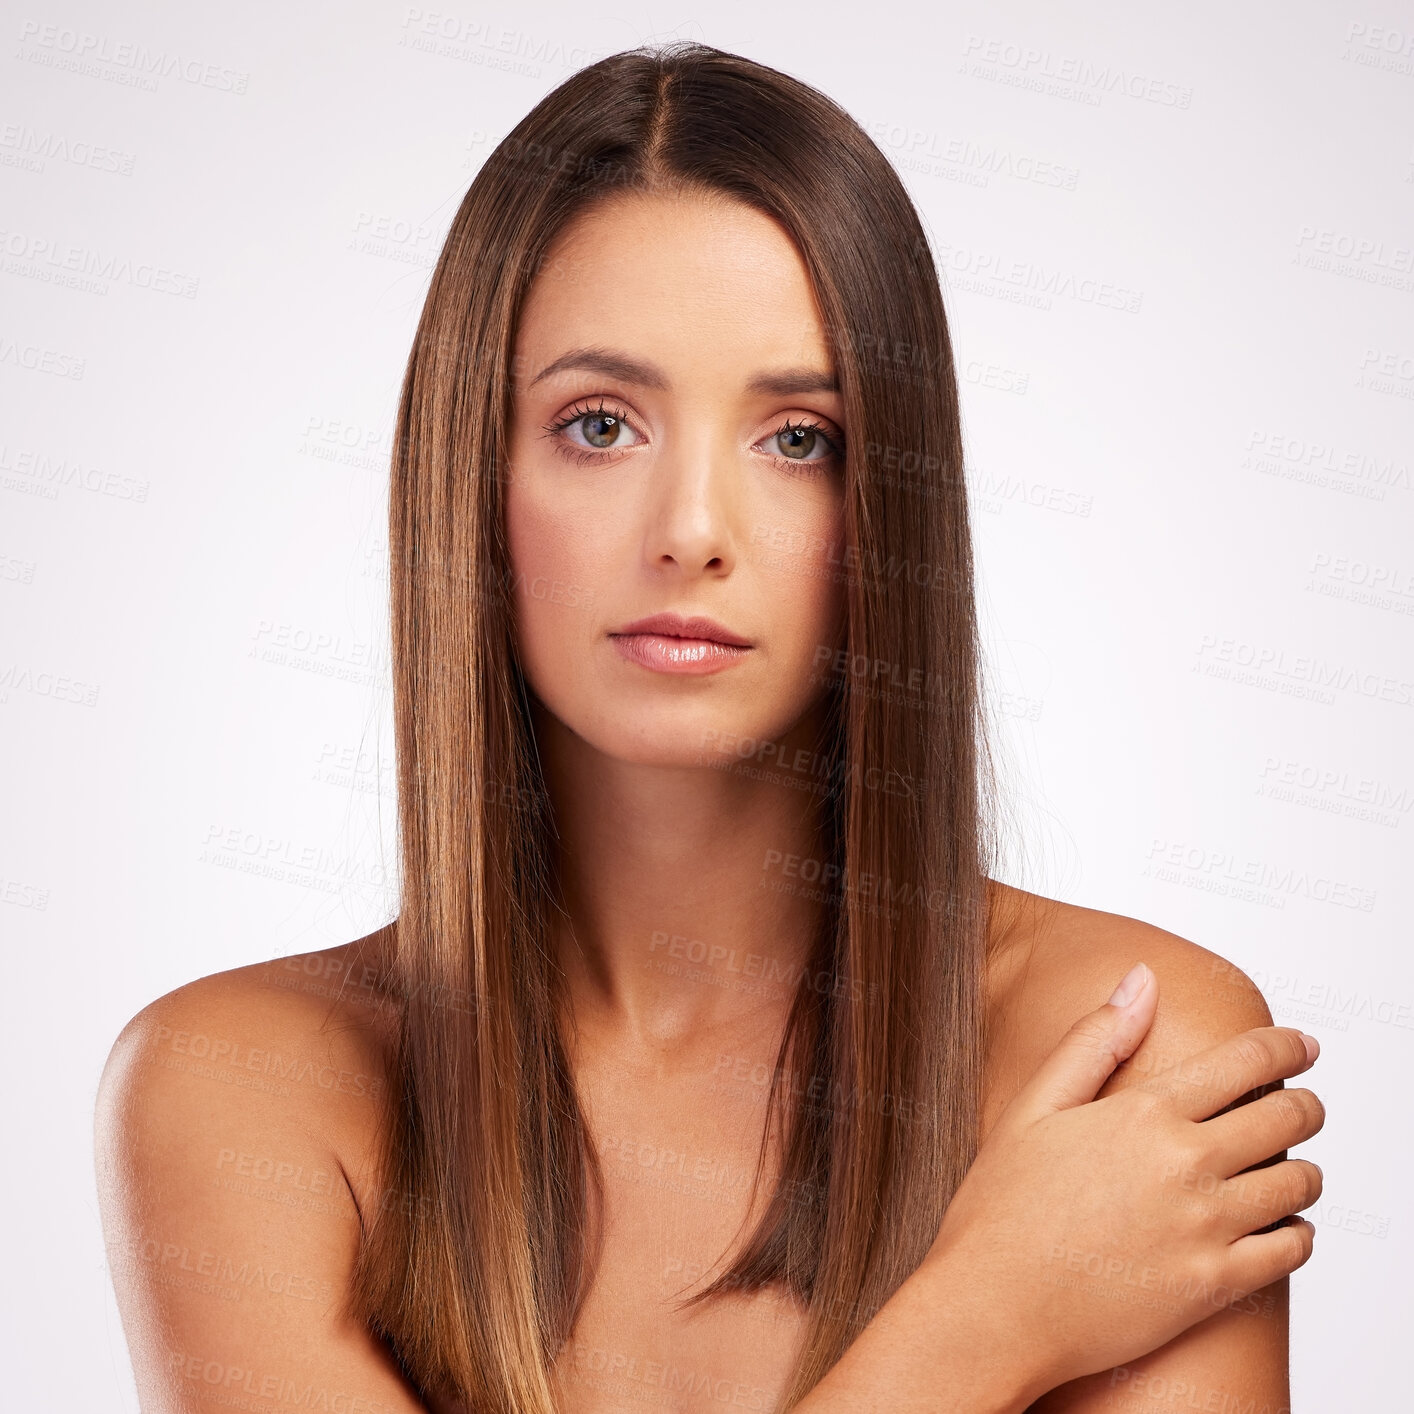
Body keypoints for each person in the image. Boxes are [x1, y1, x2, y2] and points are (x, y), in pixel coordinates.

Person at [94, 41, 1323, 1414]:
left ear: (889, 504)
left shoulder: (1125, 1046)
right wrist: (985, 1319)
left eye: (797, 438)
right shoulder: (240, 1091)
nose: (690, 532)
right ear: (470, 473)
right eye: (600, 424)